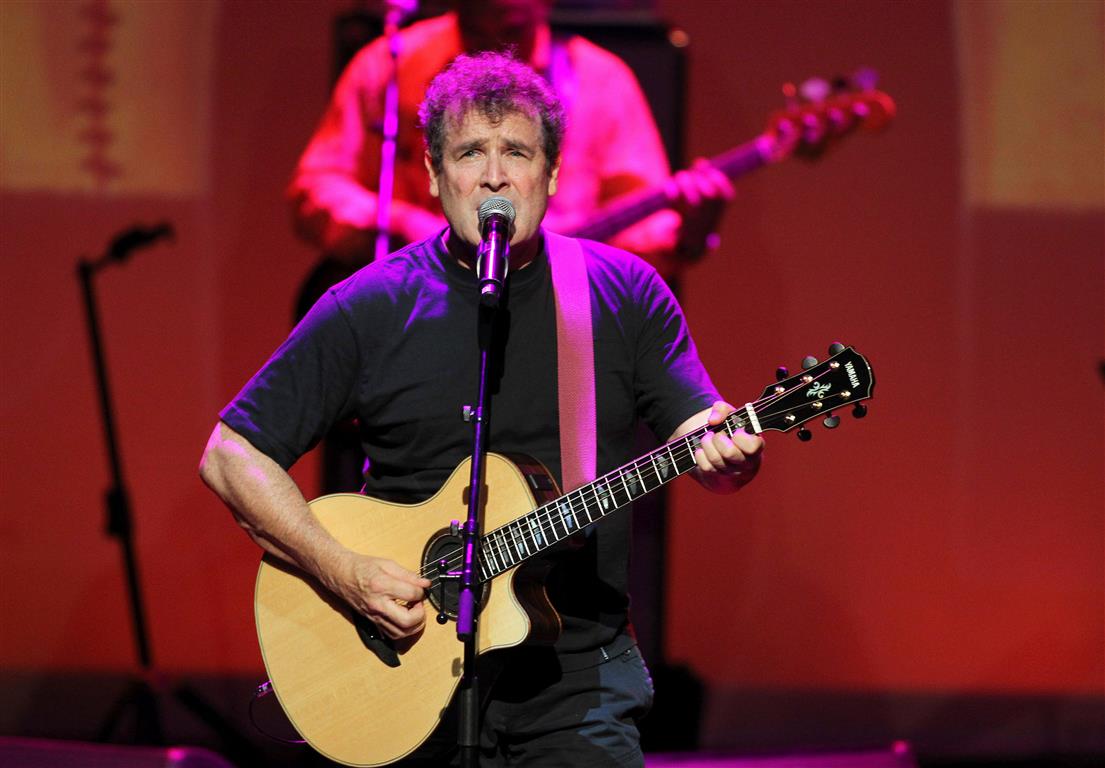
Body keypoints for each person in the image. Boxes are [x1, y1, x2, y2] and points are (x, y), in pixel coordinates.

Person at [201, 52, 762, 767]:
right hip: (398, 664)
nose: (494, 175)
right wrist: (340, 570)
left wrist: (725, 452)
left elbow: (700, 435)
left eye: (516, 153)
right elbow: (230, 453)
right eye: (470, 152)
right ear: (436, 177)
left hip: (574, 679)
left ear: (551, 176)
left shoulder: (621, 292)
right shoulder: (369, 307)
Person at [288, 0, 733, 284]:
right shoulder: (390, 64)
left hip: (550, 323)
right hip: (415, 309)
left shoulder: (601, 80)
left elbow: (639, 241)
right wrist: (406, 225)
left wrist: (692, 234)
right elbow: (316, 190)